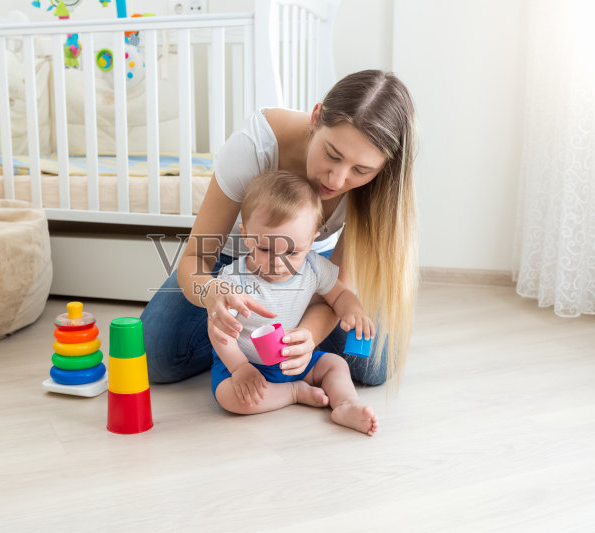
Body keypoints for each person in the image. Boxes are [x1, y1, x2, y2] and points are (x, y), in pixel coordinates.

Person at [141, 70, 418, 387]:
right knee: (154, 357)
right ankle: (245, 344)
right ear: (316, 117)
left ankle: (277, 333)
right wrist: (211, 295)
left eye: (361, 170)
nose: (337, 180)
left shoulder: (376, 189)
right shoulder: (254, 147)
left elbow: (338, 286)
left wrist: (309, 337)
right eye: (332, 154)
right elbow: (194, 260)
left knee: (376, 365)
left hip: (310, 264)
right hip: (232, 264)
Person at [210, 170, 378, 435]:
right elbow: (218, 329)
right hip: (248, 366)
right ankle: (292, 393)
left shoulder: (313, 266)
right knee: (228, 397)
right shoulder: (234, 278)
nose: (279, 262)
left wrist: (353, 309)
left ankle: (346, 404)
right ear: (245, 235)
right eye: (265, 249)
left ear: (311, 241)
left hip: (297, 361)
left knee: (336, 364)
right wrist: (239, 368)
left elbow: (340, 294)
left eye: (292, 251)